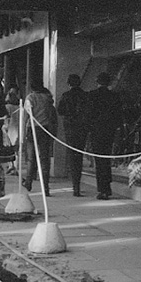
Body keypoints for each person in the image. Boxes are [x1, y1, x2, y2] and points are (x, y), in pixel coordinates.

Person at [86, 72, 124, 200]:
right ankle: (107, 186)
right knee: (106, 158)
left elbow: (89, 114)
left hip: (96, 131)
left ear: (97, 81)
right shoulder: (114, 96)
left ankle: (102, 188)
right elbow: (118, 114)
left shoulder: (92, 95)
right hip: (110, 131)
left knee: (99, 159)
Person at [23, 79, 58, 194]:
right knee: (44, 159)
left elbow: (26, 116)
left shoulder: (30, 98)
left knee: (31, 158)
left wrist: (23, 131)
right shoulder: (47, 98)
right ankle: (45, 186)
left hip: (32, 129)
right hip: (45, 129)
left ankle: (28, 181)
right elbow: (52, 116)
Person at [57, 73, 89, 196]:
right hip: (82, 128)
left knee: (72, 156)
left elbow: (60, 110)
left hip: (70, 128)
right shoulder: (85, 96)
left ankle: (75, 185)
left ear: (69, 83)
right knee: (79, 156)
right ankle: (77, 184)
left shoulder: (66, 96)